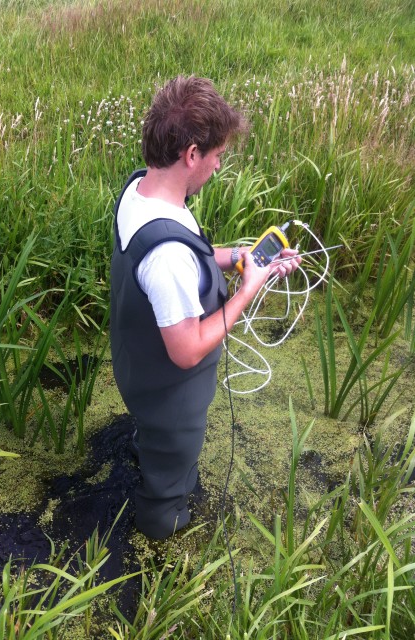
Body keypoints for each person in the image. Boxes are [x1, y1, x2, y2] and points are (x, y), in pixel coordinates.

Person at [110, 76, 300, 540]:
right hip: (172, 401)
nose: (217, 165)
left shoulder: (141, 193)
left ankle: (146, 453)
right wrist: (246, 291)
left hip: (138, 372)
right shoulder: (167, 259)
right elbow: (188, 350)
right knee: (168, 488)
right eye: (216, 155)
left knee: (152, 447)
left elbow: (186, 252)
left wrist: (237, 258)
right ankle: (160, 553)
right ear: (191, 153)